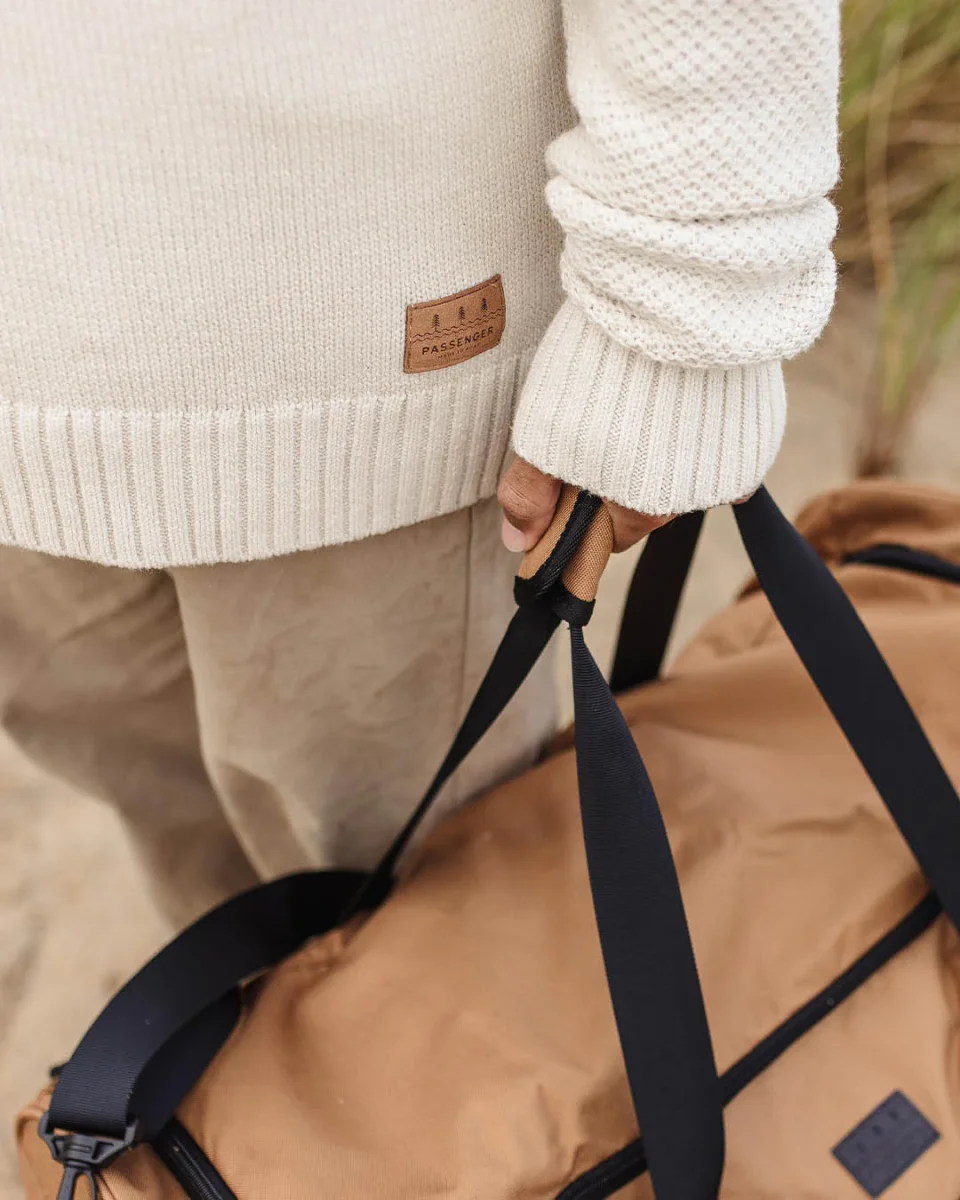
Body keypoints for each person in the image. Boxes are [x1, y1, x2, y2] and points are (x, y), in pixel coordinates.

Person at [0, 1, 839, 926]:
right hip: (26, 418)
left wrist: (690, 297)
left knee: (425, 905)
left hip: (365, 385)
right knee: (203, 885)